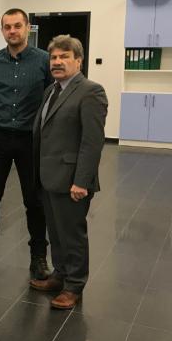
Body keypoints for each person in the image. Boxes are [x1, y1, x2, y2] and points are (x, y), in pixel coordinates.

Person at [0, 8, 54, 280]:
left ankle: (38, 257)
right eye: (7, 27)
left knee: (34, 199)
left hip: (30, 139)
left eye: (17, 26)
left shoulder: (44, 61)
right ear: (3, 30)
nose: (12, 31)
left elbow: (51, 96)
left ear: (27, 28)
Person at [30, 35, 107, 309]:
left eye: (64, 57)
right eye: (54, 57)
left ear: (78, 61)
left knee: (72, 235)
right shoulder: (52, 91)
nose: (57, 62)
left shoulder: (91, 92)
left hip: (73, 180)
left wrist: (81, 181)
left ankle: (74, 285)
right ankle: (60, 274)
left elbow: (92, 142)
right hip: (49, 177)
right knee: (56, 232)